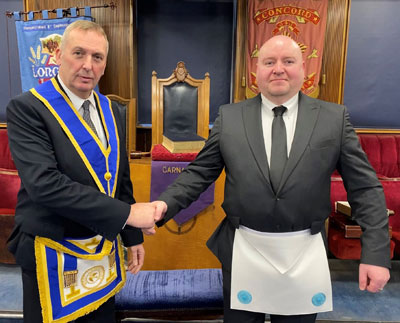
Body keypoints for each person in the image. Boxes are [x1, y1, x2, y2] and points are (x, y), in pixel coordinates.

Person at [152, 35, 391, 323]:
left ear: (303, 69)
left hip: (304, 255)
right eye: (269, 62)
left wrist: (375, 254)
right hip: (243, 253)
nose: (278, 69)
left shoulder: (334, 119)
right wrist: (162, 206)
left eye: (288, 61)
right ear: (257, 72)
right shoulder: (230, 117)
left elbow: (364, 188)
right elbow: (199, 173)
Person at [6, 20, 162, 323]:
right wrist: (129, 216)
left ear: (104, 65)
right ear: (59, 55)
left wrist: (131, 237)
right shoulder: (28, 109)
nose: (88, 65)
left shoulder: (112, 110)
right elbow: (45, 185)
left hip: (101, 251)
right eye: (79, 54)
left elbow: (120, 181)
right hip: (51, 251)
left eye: (97, 57)